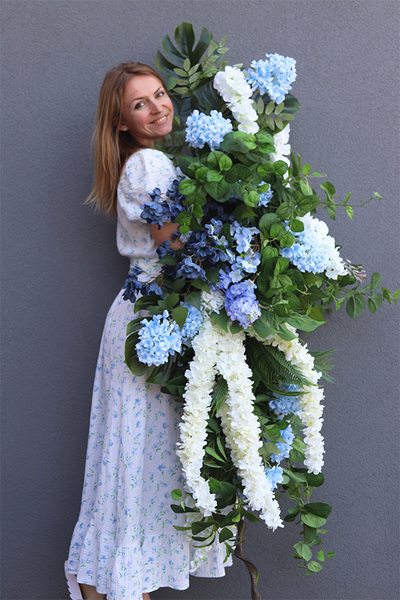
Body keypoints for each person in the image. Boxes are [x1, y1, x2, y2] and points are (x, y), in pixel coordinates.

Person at [64, 62, 231, 600]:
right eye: (141, 103)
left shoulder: (143, 161)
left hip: (143, 317)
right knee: (135, 474)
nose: (159, 106)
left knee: (125, 471)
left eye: (160, 94)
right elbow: (174, 248)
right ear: (119, 121)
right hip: (155, 320)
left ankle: (106, 587)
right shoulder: (151, 163)